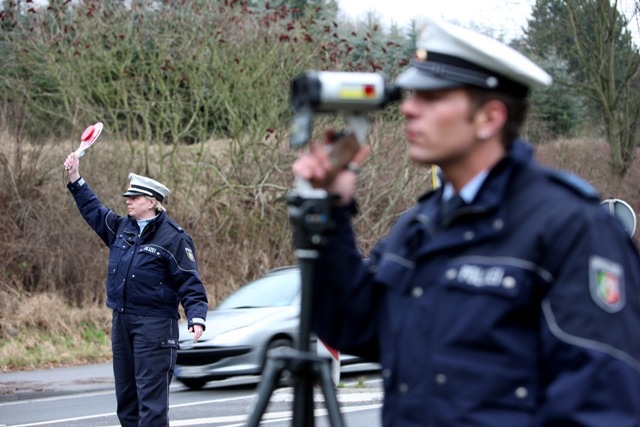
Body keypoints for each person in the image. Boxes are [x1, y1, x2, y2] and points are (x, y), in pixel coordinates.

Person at [293, 18, 640, 426]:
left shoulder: (571, 227)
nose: (407, 107)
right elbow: (350, 325)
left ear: (489, 118)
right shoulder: (419, 227)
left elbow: (600, 405)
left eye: (431, 96)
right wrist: (332, 209)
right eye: (411, 94)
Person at [63, 154, 209, 427]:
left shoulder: (174, 237)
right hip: (122, 322)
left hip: (155, 326)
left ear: (152, 202)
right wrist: (75, 177)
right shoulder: (122, 228)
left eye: (135, 197)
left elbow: (190, 281)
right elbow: (93, 210)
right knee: (127, 403)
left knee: (151, 407)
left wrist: (197, 316)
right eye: (128, 197)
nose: (128, 200)